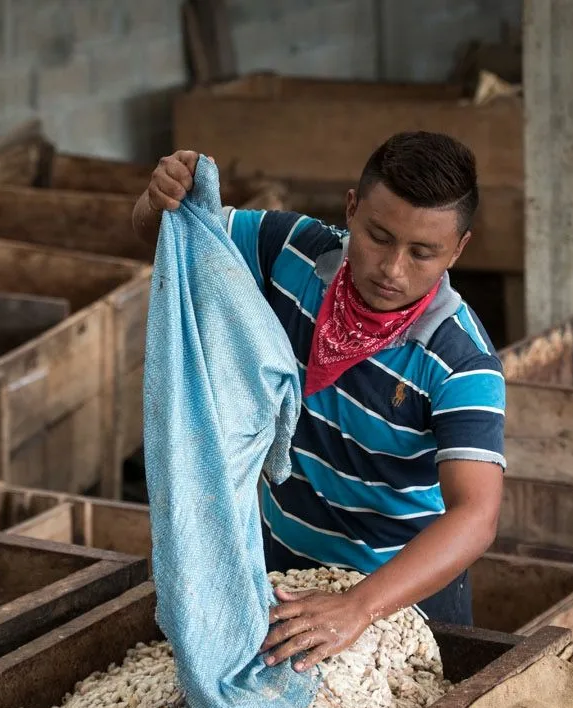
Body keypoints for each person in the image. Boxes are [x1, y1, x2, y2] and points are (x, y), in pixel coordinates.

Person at [131, 131, 505, 676]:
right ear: (351, 210)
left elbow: (476, 516)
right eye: (378, 236)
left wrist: (360, 606)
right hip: (281, 566)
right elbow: (173, 235)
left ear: (459, 249)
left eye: (423, 253)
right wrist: (157, 200)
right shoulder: (290, 253)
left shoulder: (460, 361)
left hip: (402, 597)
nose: (392, 268)